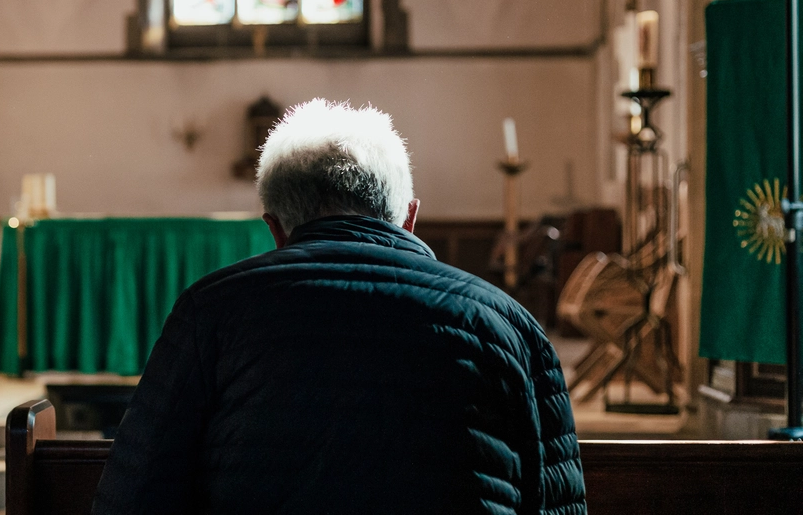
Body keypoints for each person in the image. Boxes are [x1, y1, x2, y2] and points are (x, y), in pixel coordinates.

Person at [91, 99, 586, 514]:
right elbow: (558, 504)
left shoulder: (209, 312)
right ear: (410, 218)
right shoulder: (507, 324)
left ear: (275, 228)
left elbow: (133, 496)